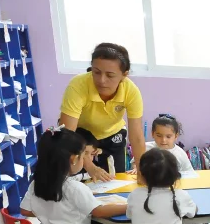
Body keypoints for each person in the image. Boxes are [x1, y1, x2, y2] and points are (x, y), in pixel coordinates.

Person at [58, 43, 145, 180]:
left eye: (110, 75)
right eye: (96, 72)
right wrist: (89, 166)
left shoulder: (131, 91)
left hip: (113, 135)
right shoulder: (78, 85)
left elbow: (137, 137)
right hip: (81, 137)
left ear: (124, 75)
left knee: (115, 179)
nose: (102, 80)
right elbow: (67, 134)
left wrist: (142, 169)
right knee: (78, 179)